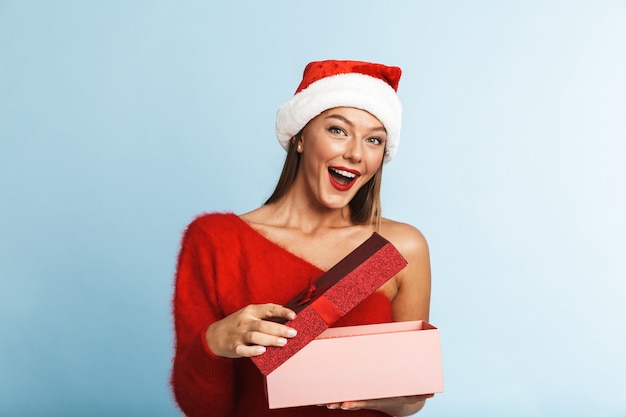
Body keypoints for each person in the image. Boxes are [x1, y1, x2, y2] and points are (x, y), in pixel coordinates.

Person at [171, 60, 433, 416]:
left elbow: (411, 398)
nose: (356, 153)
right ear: (299, 138)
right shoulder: (216, 240)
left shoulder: (399, 248)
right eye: (338, 130)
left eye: (374, 139)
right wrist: (214, 343)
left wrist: (382, 397)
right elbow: (203, 409)